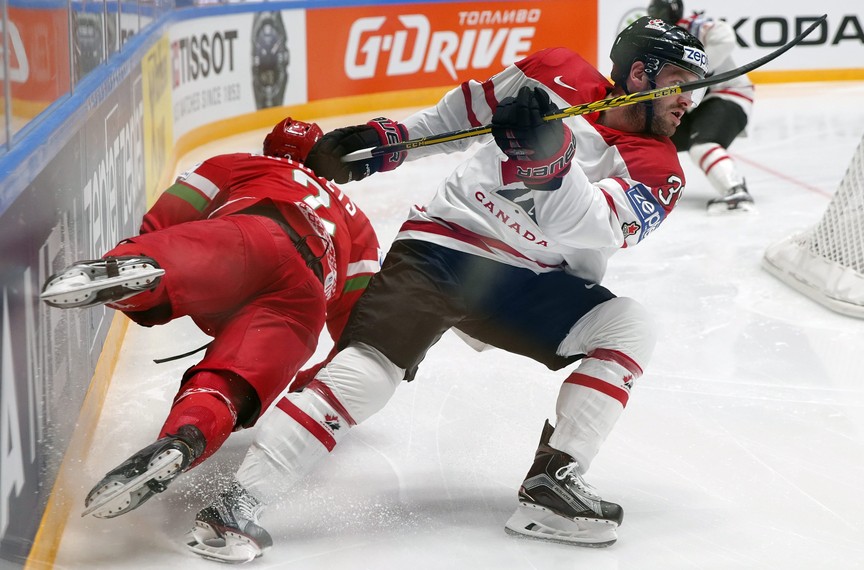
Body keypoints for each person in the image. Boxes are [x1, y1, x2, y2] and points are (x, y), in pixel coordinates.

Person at [183, 17, 707, 563]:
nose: (688, 100)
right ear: (641, 74)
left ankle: (552, 490)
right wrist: (386, 143)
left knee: (628, 327)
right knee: (366, 374)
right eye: (680, 80)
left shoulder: (659, 168)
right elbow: (460, 117)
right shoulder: (555, 71)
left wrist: (552, 164)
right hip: (443, 248)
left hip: (529, 283)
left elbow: (593, 226)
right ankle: (234, 507)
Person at [39, 117, 381, 520]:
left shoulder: (238, 163)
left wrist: (144, 247)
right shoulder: (358, 222)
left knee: (160, 266)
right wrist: (309, 379)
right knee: (228, 387)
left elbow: (167, 217)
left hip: (250, 238)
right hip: (303, 302)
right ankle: (186, 439)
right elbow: (358, 332)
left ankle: (139, 277)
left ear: (271, 148)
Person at [648, 0, 756, 213]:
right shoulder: (657, 44)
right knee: (650, 135)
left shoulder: (692, 26)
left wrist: (698, 70)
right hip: (691, 106)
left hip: (726, 96)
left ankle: (736, 192)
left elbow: (725, 39)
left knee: (703, 146)